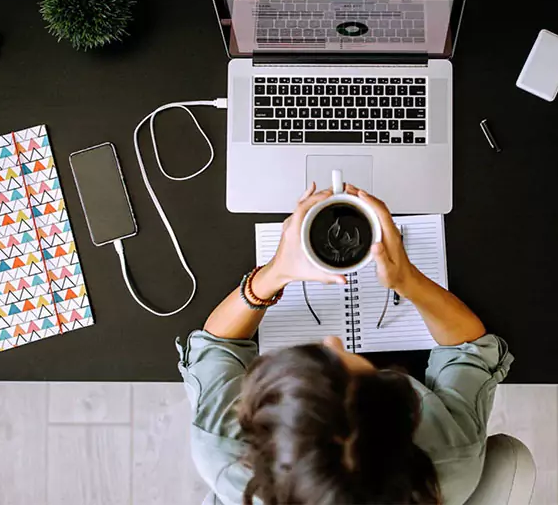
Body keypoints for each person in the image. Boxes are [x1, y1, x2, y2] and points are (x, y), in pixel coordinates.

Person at [176, 183, 514, 505]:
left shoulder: (223, 451)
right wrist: (408, 281)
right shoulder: (451, 458)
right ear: (405, 413)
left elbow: (217, 347)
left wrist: (275, 273)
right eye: (363, 371)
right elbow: (470, 350)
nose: (333, 341)